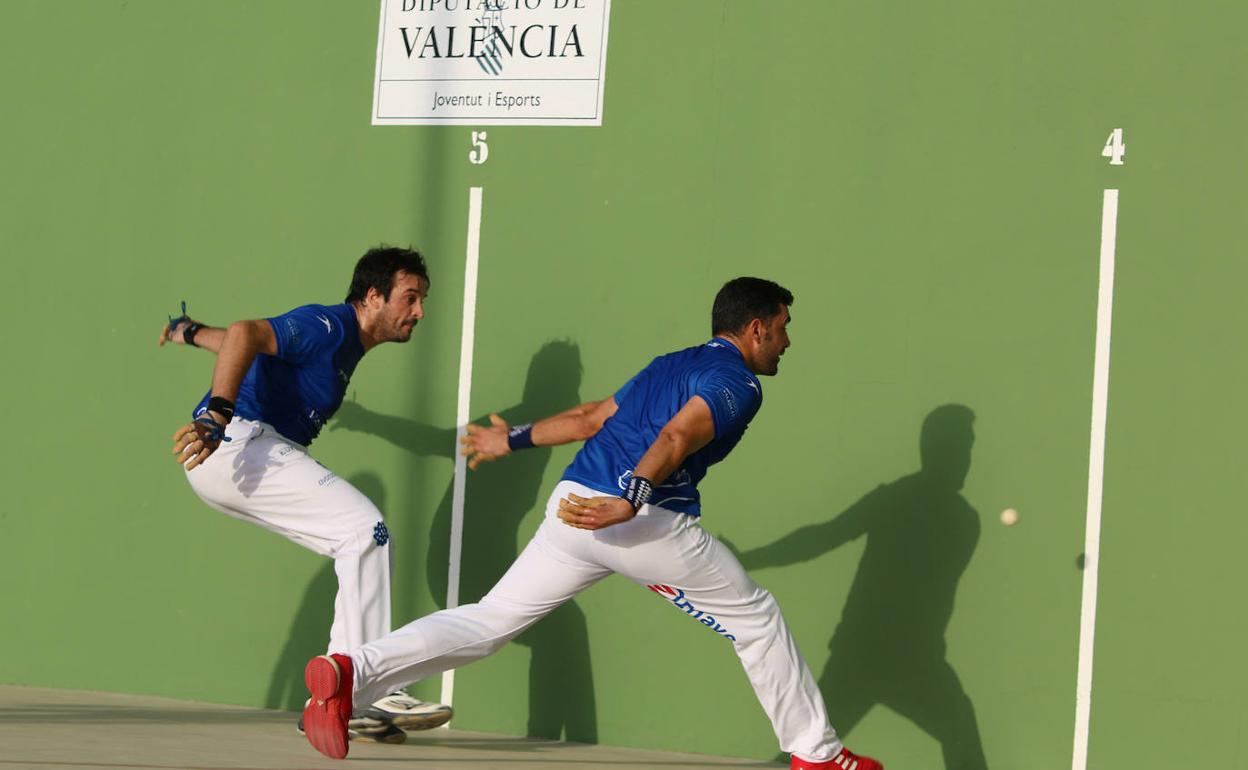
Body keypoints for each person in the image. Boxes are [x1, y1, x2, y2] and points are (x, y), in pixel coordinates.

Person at [298, 277, 883, 769]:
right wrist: (631, 497)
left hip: (572, 504)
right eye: (781, 328)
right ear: (756, 328)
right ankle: (818, 754)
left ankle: (351, 670)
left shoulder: (669, 364)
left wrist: (513, 438)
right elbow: (678, 436)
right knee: (756, 617)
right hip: (635, 518)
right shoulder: (739, 382)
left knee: (490, 620)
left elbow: (591, 418)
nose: (786, 341)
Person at [163, 246, 452, 744]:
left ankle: (341, 697)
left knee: (357, 538)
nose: (419, 312)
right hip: (236, 444)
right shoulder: (329, 325)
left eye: (422, 300)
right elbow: (246, 333)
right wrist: (216, 414)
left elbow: (240, 343)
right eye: (410, 298)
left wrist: (187, 332)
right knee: (365, 531)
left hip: (236, 458)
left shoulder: (344, 346)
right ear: (373, 296)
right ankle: (362, 685)